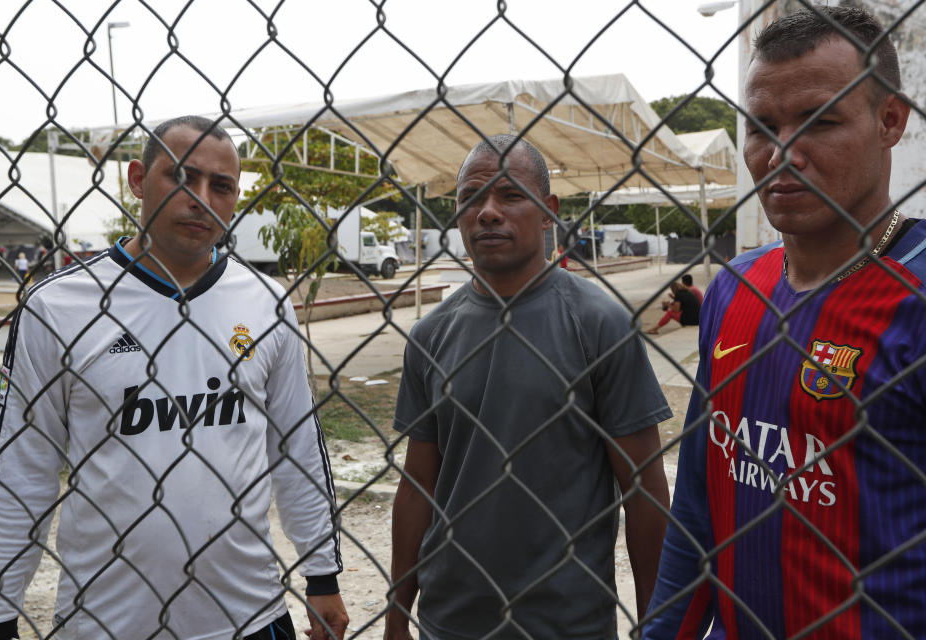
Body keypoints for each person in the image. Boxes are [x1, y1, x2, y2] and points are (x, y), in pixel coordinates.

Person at [0, 116, 349, 640]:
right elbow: (21, 471)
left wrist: (322, 574)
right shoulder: (59, 306)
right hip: (106, 622)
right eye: (181, 177)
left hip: (250, 617)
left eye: (221, 186)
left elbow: (298, 448)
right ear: (136, 179)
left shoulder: (265, 301)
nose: (201, 198)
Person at [645, 7, 926, 638]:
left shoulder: (916, 300)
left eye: (820, 121)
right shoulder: (734, 288)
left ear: (890, 121)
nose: (781, 153)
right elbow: (696, 505)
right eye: (761, 126)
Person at [384, 135, 673, 640]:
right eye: (473, 197)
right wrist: (396, 617)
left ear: (548, 212)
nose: (489, 212)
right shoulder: (430, 336)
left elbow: (644, 490)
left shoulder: (599, 325)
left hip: (566, 625)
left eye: (511, 195)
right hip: (448, 622)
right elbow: (417, 486)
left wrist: (654, 622)